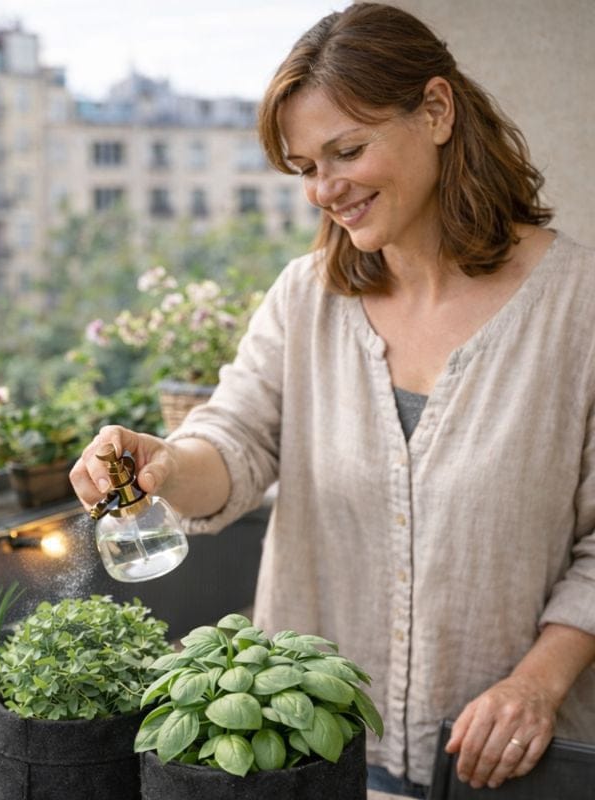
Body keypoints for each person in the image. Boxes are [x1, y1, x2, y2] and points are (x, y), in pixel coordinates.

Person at [70, 3, 595, 797]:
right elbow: (236, 441)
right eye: (306, 167)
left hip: (511, 763)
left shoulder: (579, 306)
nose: (324, 189)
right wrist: (169, 462)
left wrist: (536, 685)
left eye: (346, 150)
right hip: (309, 753)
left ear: (437, 111)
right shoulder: (305, 297)